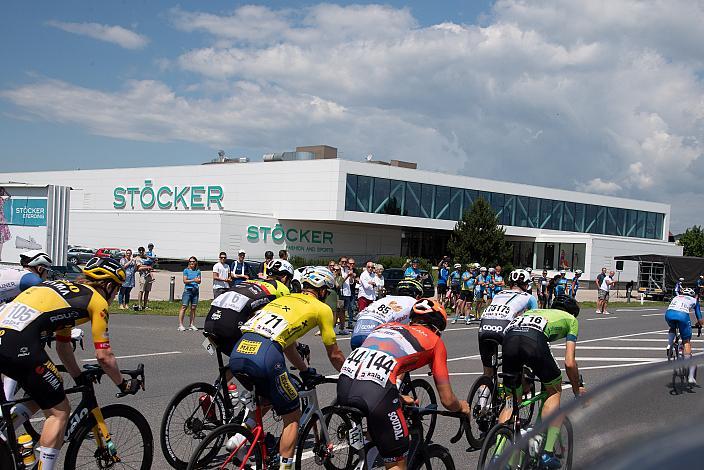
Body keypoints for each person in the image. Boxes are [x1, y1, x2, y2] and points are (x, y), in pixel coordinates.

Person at [0, 257, 140, 470]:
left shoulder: (67, 292)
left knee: (44, 396)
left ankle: (3, 428)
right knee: (60, 411)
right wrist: (123, 384)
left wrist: (78, 376)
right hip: (21, 343)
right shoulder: (97, 301)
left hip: (4, 336)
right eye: (117, 289)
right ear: (109, 286)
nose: (115, 295)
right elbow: (104, 356)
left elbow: (63, 346)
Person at [229, 267, 345, 470]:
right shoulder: (322, 309)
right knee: (292, 416)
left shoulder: (285, 299)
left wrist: (304, 369)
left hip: (239, 351)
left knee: (267, 398)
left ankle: (239, 437)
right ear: (324, 291)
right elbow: (334, 354)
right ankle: (285, 468)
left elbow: (289, 344)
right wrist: (349, 373)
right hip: (266, 354)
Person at [337, 298, 470, 470]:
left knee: (377, 433)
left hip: (345, 383)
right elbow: (447, 399)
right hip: (375, 393)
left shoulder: (385, 326)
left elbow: (378, 367)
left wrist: (397, 397)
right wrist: (461, 407)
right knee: (396, 463)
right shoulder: (435, 342)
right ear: (437, 327)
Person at [499, 295, 586, 469]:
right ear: (572, 313)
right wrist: (577, 391)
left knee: (511, 401)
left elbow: (521, 344)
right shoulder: (571, 320)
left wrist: (523, 377)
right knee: (554, 390)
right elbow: (569, 363)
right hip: (533, 340)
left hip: (509, 339)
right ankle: (546, 453)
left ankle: (498, 454)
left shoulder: (535, 311)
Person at [204, 259, 293, 356]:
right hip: (230, 325)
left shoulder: (250, 281)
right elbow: (280, 324)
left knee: (237, 362)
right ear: (284, 277)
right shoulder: (281, 288)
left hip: (209, 322)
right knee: (258, 360)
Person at [477, 269, 538, 409]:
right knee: (514, 366)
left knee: (487, 373)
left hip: (484, 328)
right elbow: (535, 320)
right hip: (504, 330)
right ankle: (511, 403)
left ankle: (482, 406)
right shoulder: (529, 298)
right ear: (527, 285)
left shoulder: (499, 293)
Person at [0, 250, 53, 403]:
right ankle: (6, 406)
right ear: (40, 269)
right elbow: (47, 299)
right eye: (47, 272)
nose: (47, 276)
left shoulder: (16, 276)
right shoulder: (29, 279)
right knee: (17, 355)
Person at [350, 278, 424, 349]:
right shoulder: (413, 302)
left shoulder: (386, 298)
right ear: (417, 295)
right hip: (376, 331)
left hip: (358, 328)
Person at [665, 287, 703, 384]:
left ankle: (669, 345)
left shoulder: (676, 297)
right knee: (686, 341)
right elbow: (699, 318)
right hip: (682, 316)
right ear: (693, 295)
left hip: (668, 314)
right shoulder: (694, 300)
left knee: (673, 328)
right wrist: (699, 324)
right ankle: (690, 376)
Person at [178, 257, 201, 331]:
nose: (192, 263)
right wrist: (193, 280)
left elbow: (199, 281)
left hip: (195, 290)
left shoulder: (198, 271)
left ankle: (191, 324)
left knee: (193, 308)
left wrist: (197, 280)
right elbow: (185, 281)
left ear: (196, 262)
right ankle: (181, 325)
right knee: (184, 307)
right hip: (188, 290)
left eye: (193, 261)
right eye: (190, 261)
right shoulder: (186, 270)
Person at [135, 246, 154, 310]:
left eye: (142, 251)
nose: (141, 252)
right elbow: (139, 268)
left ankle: (145, 305)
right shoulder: (138, 258)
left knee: (147, 291)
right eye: (140, 251)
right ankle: (139, 305)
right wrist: (147, 267)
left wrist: (151, 265)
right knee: (141, 291)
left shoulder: (147, 258)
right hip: (143, 276)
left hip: (149, 276)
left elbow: (152, 264)